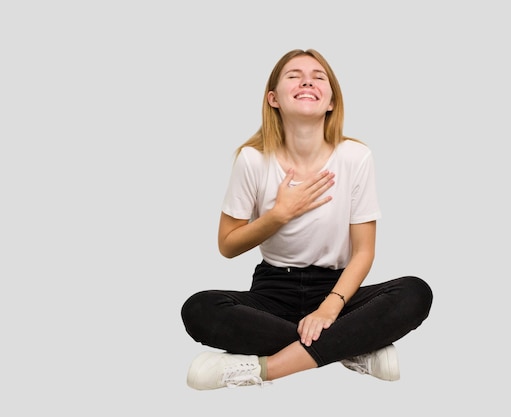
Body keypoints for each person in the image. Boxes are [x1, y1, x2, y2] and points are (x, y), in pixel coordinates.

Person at [181, 48, 433, 390]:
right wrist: (280, 214)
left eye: (318, 77)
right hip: (273, 292)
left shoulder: (355, 157)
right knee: (199, 308)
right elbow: (227, 245)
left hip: (337, 291)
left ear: (331, 101)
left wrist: (330, 308)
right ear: (273, 98)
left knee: (415, 293)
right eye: (293, 76)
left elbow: (363, 252)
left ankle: (267, 368)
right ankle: (350, 346)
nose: (307, 81)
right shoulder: (252, 160)